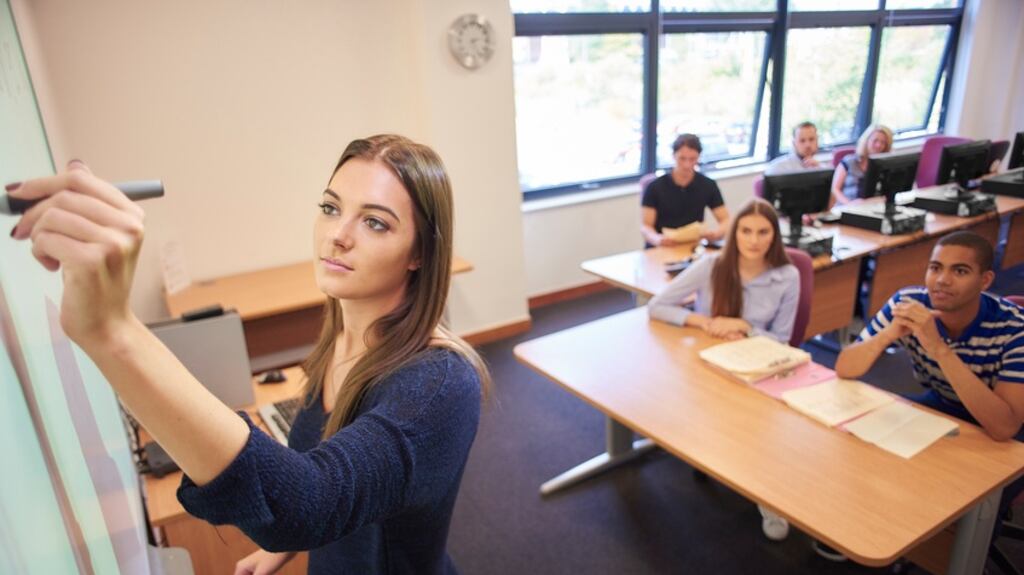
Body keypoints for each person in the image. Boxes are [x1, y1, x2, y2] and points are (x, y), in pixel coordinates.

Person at [8, 134, 491, 575]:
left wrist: (113, 332)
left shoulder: (442, 385)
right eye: (330, 207)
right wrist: (280, 547)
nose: (337, 235)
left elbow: (315, 501)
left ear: (420, 253)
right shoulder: (342, 337)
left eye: (374, 222)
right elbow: (324, 473)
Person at [832, 231, 1024, 560]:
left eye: (959, 271)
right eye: (935, 268)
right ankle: (870, 534)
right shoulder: (908, 304)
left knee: (965, 503)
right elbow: (845, 367)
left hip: (1009, 432)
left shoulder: (1014, 330)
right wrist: (890, 334)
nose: (942, 280)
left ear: (986, 280)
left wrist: (939, 349)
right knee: (864, 447)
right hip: (945, 405)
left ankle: (963, 554)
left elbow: (1003, 426)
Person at [648, 198, 799, 542]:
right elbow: (658, 306)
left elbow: (784, 340)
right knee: (717, 421)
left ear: (774, 236)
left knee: (761, 434)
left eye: (763, 232)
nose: (754, 240)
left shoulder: (787, 276)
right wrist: (703, 321)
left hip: (760, 366)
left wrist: (745, 327)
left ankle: (769, 498)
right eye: (746, 231)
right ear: (735, 233)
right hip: (711, 365)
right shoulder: (713, 265)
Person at [642, 133, 730, 248]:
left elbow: (726, 220)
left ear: (699, 157)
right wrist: (657, 239)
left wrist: (716, 234)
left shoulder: (708, 185)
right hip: (662, 246)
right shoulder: (655, 187)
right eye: (682, 158)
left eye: (692, 159)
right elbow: (646, 226)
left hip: (693, 246)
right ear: (673, 156)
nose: (687, 165)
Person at [831, 124, 893, 207]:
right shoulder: (849, 161)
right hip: (847, 207)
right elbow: (834, 189)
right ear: (866, 141)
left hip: (873, 208)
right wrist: (849, 204)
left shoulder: (884, 166)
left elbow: (887, 195)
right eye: (875, 141)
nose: (879, 145)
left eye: (883, 142)